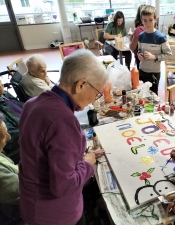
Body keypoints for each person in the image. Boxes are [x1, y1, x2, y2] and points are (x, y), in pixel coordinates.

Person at [19, 49, 108, 225]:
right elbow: (63, 186)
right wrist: (87, 163)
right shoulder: (62, 120)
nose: (94, 99)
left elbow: (45, 158)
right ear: (81, 84)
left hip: (31, 204)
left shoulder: (32, 104)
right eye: (97, 93)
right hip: (55, 215)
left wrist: (76, 159)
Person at [138, 5, 172, 94]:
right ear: (142, 21)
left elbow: (169, 55)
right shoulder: (141, 36)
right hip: (141, 71)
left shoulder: (160, 37)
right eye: (144, 21)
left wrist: (154, 57)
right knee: (141, 96)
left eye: (150, 20)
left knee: (152, 97)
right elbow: (139, 50)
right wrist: (139, 55)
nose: (147, 24)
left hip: (154, 73)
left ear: (155, 19)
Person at [0, 113, 20, 224]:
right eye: (3, 136)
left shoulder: (0, 155)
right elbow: (26, 191)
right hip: (20, 215)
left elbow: (15, 168)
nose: (9, 137)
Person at [0, 79, 23, 161]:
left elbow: (23, 106)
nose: (1, 85)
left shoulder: (4, 94)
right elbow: (10, 136)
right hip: (21, 140)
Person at [129, 4, 146, 70]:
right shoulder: (153, 28)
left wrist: (131, 39)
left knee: (142, 79)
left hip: (141, 58)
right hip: (152, 59)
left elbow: (132, 47)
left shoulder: (138, 30)